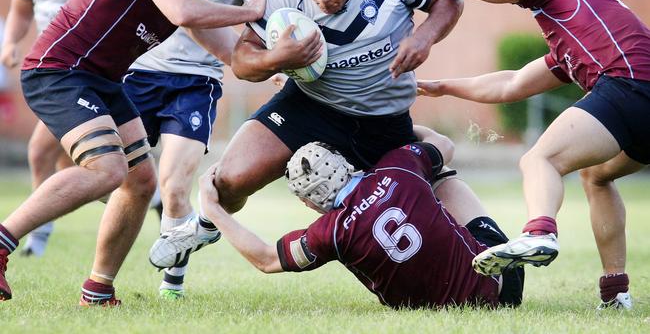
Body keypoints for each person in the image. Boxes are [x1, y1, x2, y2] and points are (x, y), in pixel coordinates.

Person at [0, 0, 269, 304]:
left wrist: (283, 61)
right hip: (60, 70)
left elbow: (227, 50)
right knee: (107, 170)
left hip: (101, 81)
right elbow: (181, 11)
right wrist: (252, 10)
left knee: (140, 181)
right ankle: (3, 242)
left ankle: (98, 290)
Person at [149, 0, 463, 269]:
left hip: (385, 120)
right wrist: (276, 58)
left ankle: (480, 245)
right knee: (228, 180)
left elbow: (448, 1)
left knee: (426, 211)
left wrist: (425, 37)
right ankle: (207, 226)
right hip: (311, 106)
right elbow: (241, 62)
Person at [404, 0, 650, 310]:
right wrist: (441, 87)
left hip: (630, 86)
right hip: (639, 96)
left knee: (539, 160)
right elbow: (512, 84)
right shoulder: (581, 36)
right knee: (597, 176)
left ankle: (540, 232)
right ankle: (615, 293)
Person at [133, 0, 273, 300]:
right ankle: (99, 279)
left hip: (197, 78)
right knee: (116, 177)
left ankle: (173, 284)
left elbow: (262, 13)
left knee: (175, 185)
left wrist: (274, 57)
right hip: (140, 70)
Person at [182, 133, 525, 309]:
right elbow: (443, 143)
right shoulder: (396, 167)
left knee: (429, 178)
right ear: (343, 164)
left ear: (308, 202)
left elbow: (266, 259)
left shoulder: (331, 232)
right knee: (438, 173)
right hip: (501, 289)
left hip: (436, 305)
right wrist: (399, 133)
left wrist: (214, 210)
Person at [0, 0, 105, 257]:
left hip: (83, 67)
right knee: (59, 157)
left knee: (47, 153)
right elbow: (21, 9)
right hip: (51, 66)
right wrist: (11, 41)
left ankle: (38, 231)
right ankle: (157, 203)